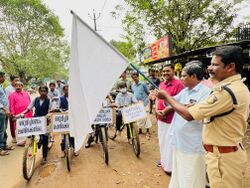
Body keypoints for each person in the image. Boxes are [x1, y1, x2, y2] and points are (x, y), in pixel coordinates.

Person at [156, 46, 250, 188]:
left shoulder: (226, 92)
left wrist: (166, 96)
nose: (210, 68)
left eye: (215, 64)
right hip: (211, 152)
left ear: (230, 67)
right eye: (210, 64)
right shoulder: (227, 89)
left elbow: (189, 114)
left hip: (221, 157)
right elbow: (182, 105)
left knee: (193, 180)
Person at [168, 62, 211, 188]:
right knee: (180, 174)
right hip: (179, 142)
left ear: (193, 76)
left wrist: (166, 96)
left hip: (193, 145)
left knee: (193, 177)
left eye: (183, 76)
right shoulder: (185, 91)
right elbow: (172, 103)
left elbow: (190, 116)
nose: (181, 78)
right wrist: (162, 98)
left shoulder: (206, 93)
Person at [155, 63, 184, 174]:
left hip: (171, 119)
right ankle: (164, 162)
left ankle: (171, 167)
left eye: (168, 71)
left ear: (173, 71)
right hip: (161, 119)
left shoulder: (179, 84)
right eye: (163, 71)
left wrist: (166, 110)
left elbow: (179, 102)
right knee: (163, 142)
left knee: (170, 143)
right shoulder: (161, 84)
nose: (165, 73)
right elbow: (158, 99)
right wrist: (157, 109)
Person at [19, 85, 51, 164]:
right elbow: (28, 109)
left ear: (47, 92)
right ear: (39, 92)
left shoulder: (49, 100)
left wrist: (48, 115)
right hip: (36, 120)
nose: (43, 92)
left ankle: (44, 157)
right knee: (31, 134)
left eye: (45, 91)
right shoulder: (35, 99)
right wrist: (20, 114)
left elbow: (50, 111)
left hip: (45, 121)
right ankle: (33, 145)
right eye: (41, 91)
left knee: (45, 138)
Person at [131, 72, 152, 139]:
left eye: (135, 77)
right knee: (139, 117)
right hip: (137, 103)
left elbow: (147, 92)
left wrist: (145, 99)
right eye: (133, 78)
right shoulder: (133, 85)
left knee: (146, 117)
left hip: (144, 102)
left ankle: (147, 131)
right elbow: (134, 93)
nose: (134, 79)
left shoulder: (143, 84)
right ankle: (140, 129)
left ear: (138, 76)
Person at [59, 85, 78, 156]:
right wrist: (61, 111)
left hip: (73, 118)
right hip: (64, 119)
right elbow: (59, 107)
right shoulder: (61, 98)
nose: (67, 91)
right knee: (63, 136)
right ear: (63, 91)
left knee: (73, 135)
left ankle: (74, 149)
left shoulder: (74, 98)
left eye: (68, 90)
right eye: (65, 90)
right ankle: (63, 150)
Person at [0, 72, 14, 156]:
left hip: (5, 112)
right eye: (3, 77)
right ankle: (0, 148)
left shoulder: (1, 87)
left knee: (4, 128)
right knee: (1, 130)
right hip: (1, 111)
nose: (4, 78)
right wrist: (5, 109)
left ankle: (4, 145)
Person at [5, 75, 19, 144]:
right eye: (15, 80)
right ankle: (14, 137)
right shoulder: (8, 89)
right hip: (11, 109)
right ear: (11, 81)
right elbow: (6, 100)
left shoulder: (19, 87)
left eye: (18, 80)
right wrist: (8, 110)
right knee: (12, 123)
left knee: (18, 122)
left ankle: (19, 136)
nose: (17, 82)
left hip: (18, 109)